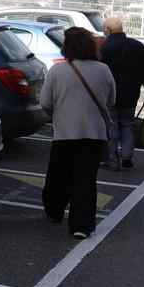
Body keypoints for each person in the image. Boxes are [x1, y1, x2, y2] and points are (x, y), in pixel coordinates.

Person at [39, 27, 116, 239]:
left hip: (64, 133)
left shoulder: (57, 71)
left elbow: (45, 102)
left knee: (58, 175)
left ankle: (54, 211)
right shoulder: (103, 70)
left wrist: (58, 113)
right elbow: (111, 101)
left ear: (66, 46)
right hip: (94, 134)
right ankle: (81, 225)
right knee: (86, 180)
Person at [98, 16, 144, 171]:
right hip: (131, 94)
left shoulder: (104, 48)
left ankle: (112, 160)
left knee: (111, 125)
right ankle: (127, 155)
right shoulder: (137, 46)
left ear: (108, 30)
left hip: (110, 95)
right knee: (127, 124)